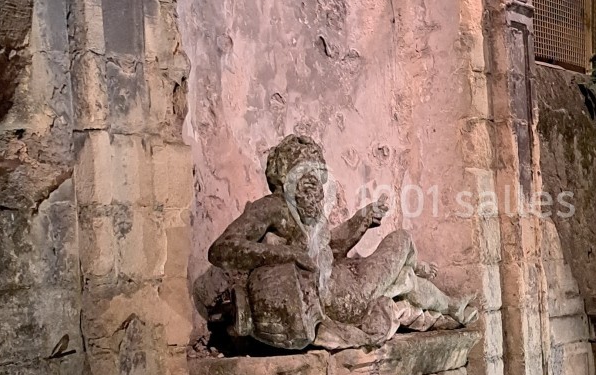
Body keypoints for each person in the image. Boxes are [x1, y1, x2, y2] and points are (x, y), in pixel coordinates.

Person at [201, 135, 477, 350]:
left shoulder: (309, 217)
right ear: (285, 176)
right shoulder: (273, 207)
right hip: (346, 297)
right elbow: (222, 249)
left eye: (317, 173)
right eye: (306, 172)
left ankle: (453, 307)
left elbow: (329, 252)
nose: (315, 182)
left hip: (345, 283)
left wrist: (361, 221)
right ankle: (420, 271)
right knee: (401, 239)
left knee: (404, 279)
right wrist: (287, 254)